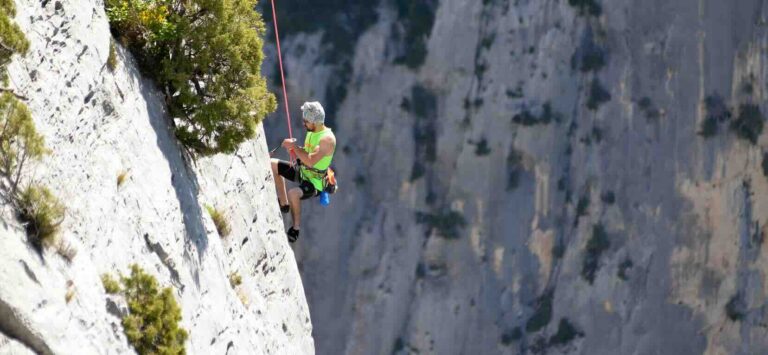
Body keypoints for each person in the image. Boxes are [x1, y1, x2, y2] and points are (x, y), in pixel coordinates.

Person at [270, 101, 336, 243]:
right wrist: (294, 149)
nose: (303, 124)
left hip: (315, 182)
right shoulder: (312, 131)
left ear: (314, 122)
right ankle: (284, 204)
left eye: (306, 121)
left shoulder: (327, 140)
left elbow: (311, 161)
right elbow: (306, 154)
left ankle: (296, 228)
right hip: (303, 171)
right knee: (272, 165)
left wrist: (294, 147)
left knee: (293, 194)